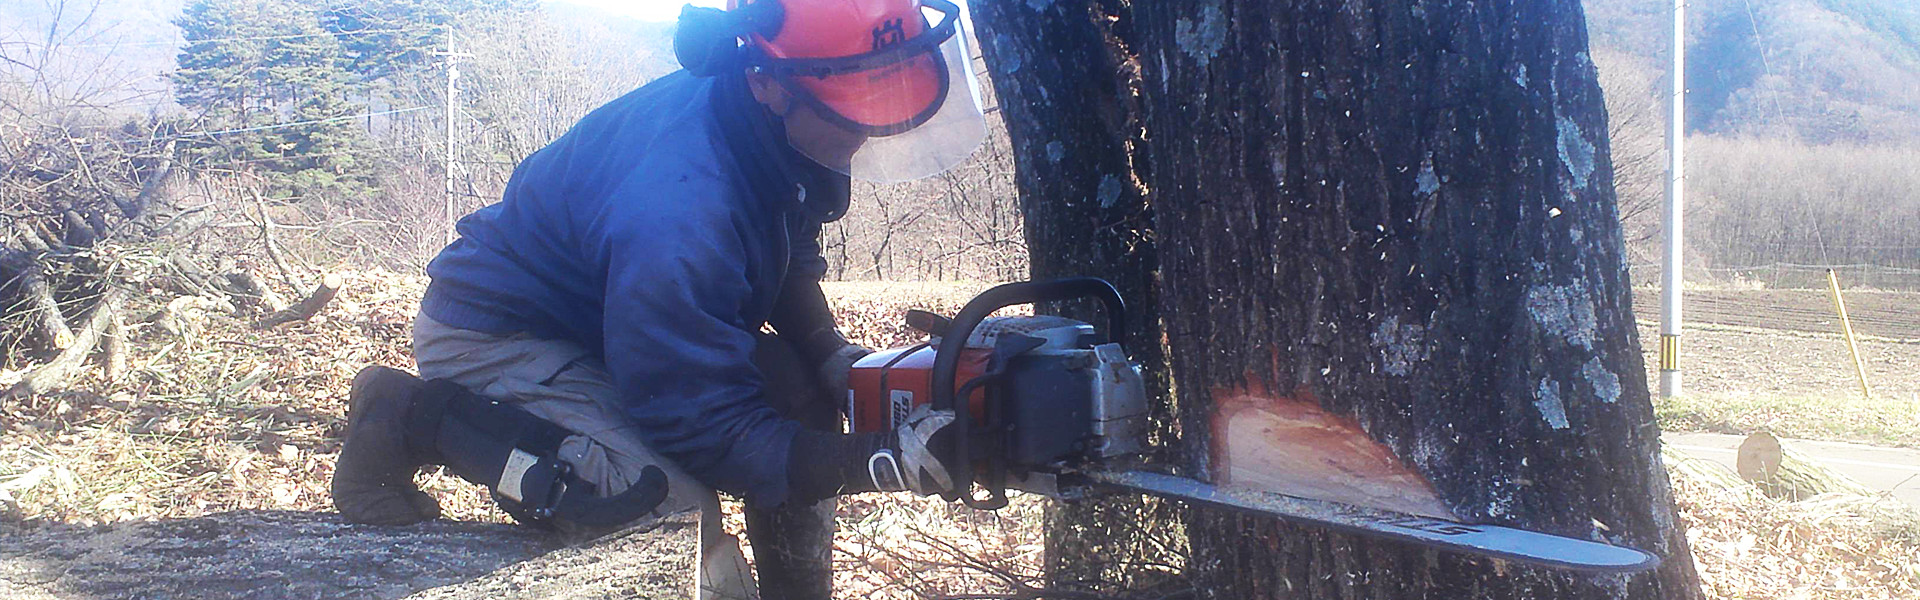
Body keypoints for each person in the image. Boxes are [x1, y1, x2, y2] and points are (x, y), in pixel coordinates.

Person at [328, 1, 986, 599]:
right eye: (846, 108)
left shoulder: (764, 120)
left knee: (798, 389)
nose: (862, 132)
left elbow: (783, 255)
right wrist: (878, 463)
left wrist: (829, 352)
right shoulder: (679, 209)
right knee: (666, 517)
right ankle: (417, 415)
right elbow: (698, 419)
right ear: (769, 82)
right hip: (497, 330)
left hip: (612, 318)